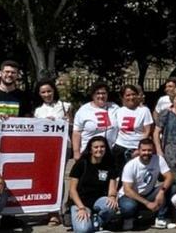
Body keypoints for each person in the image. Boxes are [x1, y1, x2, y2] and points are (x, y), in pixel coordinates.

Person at [34, 79, 73, 226]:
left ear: (54, 91)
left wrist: (62, 121)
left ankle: (58, 209)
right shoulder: (38, 111)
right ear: (39, 94)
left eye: (49, 91)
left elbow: (72, 125)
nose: (46, 94)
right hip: (45, 148)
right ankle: (50, 211)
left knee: (59, 178)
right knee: (47, 178)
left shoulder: (65, 106)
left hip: (63, 146)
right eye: (43, 92)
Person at [67, 135, 121, 233]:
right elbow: (72, 191)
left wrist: (112, 197)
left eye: (102, 147)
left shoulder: (110, 164)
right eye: (96, 147)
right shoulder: (81, 163)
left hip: (98, 201)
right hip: (80, 203)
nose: (99, 149)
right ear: (90, 149)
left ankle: (97, 221)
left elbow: (112, 187)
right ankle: (94, 226)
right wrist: (81, 208)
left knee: (111, 206)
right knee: (83, 230)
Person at [119, 138, 176, 229]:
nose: (147, 153)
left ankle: (161, 217)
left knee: (171, 187)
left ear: (153, 150)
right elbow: (127, 190)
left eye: (149, 150)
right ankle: (129, 218)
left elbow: (169, 176)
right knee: (128, 206)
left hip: (148, 192)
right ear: (138, 151)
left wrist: (161, 192)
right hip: (130, 196)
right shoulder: (131, 165)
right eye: (144, 150)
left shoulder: (158, 159)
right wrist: (147, 203)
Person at [73, 82, 119, 158]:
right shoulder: (83, 110)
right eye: (98, 93)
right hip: (89, 153)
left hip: (109, 153)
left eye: (104, 93)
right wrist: (76, 152)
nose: (101, 96)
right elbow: (77, 132)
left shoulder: (115, 107)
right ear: (92, 95)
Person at [112, 84, 154, 164]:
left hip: (136, 148)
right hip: (120, 147)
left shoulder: (144, 111)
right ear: (123, 97)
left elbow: (147, 132)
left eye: (133, 94)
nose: (131, 97)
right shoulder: (119, 111)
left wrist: (139, 149)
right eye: (128, 95)